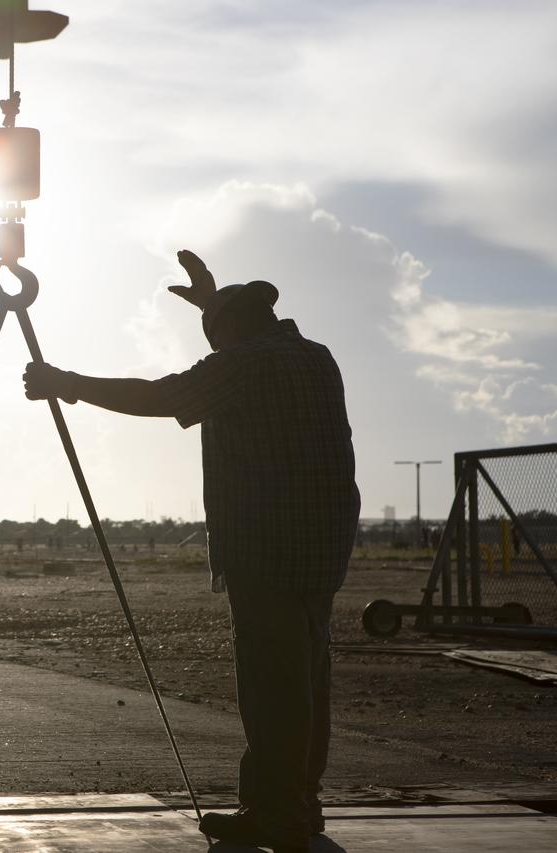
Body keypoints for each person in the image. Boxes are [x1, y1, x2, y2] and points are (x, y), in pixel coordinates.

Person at [23, 250, 359, 853]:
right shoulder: (316, 357)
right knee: (307, 679)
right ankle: (298, 805)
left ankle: (276, 816)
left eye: (215, 331)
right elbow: (237, 342)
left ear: (232, 331)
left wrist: (64, 384)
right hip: (322, 549)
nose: (213, 343)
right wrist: (213, 304)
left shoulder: (243, 365)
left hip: (267, 549)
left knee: (273, 687)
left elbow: (160, 396)